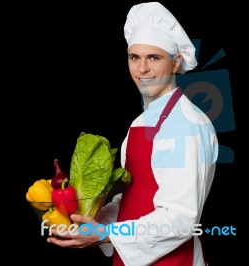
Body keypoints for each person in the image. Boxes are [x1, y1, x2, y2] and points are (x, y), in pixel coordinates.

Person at [47, 2, 218, 265]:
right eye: (134, 57)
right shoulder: (141, 121)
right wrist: (91, 220)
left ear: (176, 63)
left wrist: (105, 234)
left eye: (154, 58)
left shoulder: (185, 125)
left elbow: (180, 219)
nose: (142, 69)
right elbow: (132, 198)